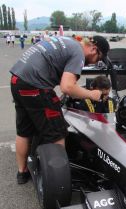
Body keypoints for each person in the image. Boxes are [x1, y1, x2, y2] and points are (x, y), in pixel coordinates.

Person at [10, 35, 110, 184]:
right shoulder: (78, 52)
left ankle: (22, 173)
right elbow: (67, 87)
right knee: (57, 133)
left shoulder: (68, 41)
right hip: (35, 86)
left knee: (24, 131)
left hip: (17, 80)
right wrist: (92, 94)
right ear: (93, 49)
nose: (96, 62)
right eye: (99, 59)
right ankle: (57, 181)